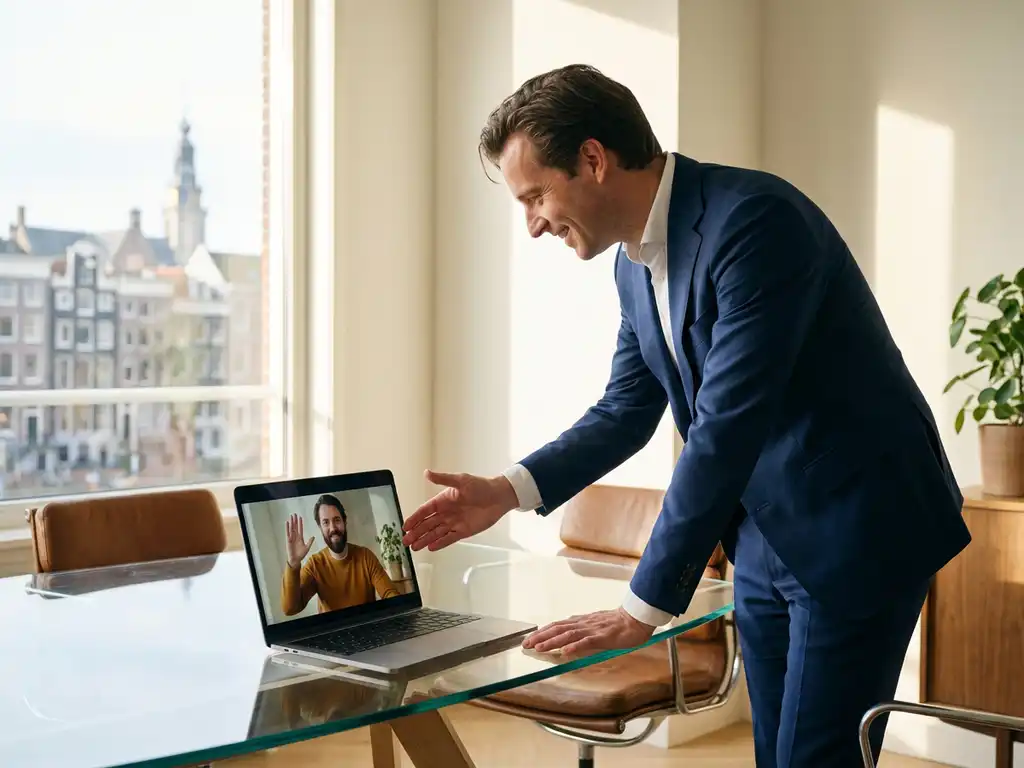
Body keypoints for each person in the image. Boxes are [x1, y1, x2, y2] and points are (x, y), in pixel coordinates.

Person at [401, 64, 972, 766]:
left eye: (535, 197)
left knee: (814, 758)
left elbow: (726, 427)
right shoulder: (632, 264)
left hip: (856, 522)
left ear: (592, 159)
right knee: (781, 754)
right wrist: (507, 491)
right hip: (764, 532)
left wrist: (640, 610)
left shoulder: (756, 222)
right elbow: (624, 409)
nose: (533, 226)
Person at [281, 494, 399, 615]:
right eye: (326, 522)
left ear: (345, 521)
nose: (333, 528)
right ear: (320, 527)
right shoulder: (314, 565)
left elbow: (389, 593)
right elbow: (290, 609)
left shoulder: (365, 556)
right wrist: (293, 564)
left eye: (337, 520)